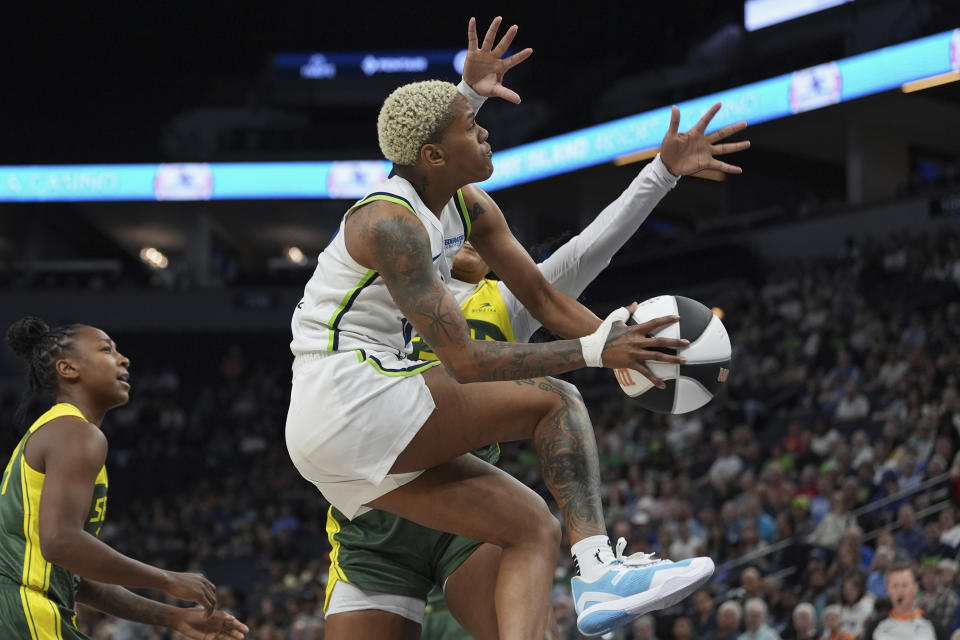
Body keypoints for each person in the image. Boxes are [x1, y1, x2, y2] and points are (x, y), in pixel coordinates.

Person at [285, 14, 749, 638]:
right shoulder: (388, 225)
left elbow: (543, 292)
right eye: (474, 128)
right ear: (435, 153)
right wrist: (593, 352)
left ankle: (593, 576)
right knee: (553, 397)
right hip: (347, 395)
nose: (488, 136)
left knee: (533, 524)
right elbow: (469, 365)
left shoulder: (468, 205)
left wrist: (627, 352)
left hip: (352, 435)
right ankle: (599, 570)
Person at [0, 317, 249, 640]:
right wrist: (166, 579)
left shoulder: (59, 430)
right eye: (106, 349)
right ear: (68, 369)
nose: (123, 358)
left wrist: (174, 617)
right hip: (23, 610)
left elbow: (76, 577)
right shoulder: (76, 433)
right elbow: (59, 542)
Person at [863, 564, 947, 640]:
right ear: (887, 589)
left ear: (915, 588)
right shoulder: (875, 627)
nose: (900, 591)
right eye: (895, 586)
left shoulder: (934, 627)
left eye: (905, 585)